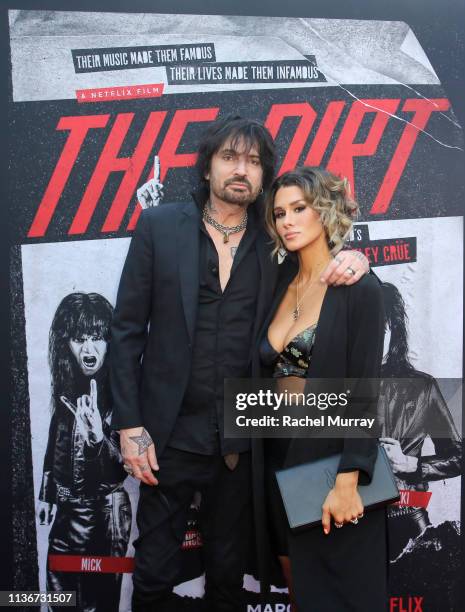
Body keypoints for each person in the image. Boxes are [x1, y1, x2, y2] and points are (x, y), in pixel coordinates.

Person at [109, 116, 369, 612]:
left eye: (253, 161)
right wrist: (129, 425)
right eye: (230, 157)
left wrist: (359, 259)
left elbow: (320, 264)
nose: (241, 170)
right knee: (154, 573)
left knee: (230, 574)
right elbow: (124, 333)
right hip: (167, 436)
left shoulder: (276, 238)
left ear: (263, 174)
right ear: (207, 166)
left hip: (244, 440)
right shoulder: (159, 226)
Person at [253, 166, 387, 611]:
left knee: (342, 597)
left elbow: (365, 389)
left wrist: (350, 478)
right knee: (300, 594)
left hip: (330, 468)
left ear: (323, 211)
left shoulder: (359, 289)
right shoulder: (276, 283)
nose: (287, 221)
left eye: (299, 208)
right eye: (278, 213)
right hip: (276, 463)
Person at [38, 292, 131, 612]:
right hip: (66, 513)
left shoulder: (127, 392)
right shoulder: (66, 390)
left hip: (105, 517)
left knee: (96, 605)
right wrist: (47, 494)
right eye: (79, 339)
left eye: (96, 338)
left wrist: (97, 437)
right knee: (58, 597)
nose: (88, 349)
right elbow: (55, 444)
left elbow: (133, 461)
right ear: (67, 344)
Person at [378, 282, 461, 558]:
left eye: (380, 323)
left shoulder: (423, 386)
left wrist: (410, 463)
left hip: (408, 517)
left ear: (393, 329)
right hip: (354, 521)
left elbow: (460, 456)